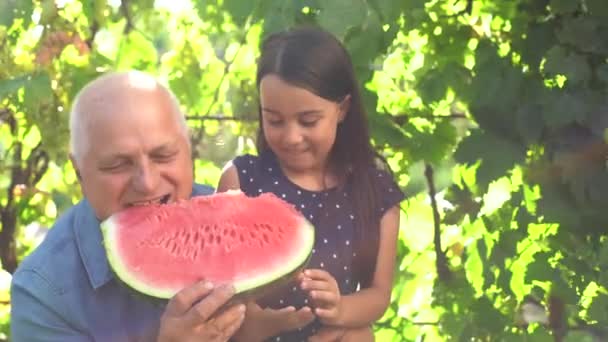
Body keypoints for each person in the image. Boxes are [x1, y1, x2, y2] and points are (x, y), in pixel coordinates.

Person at [10, 71, 246, 341]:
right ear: (79, 172)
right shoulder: (44, 292)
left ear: (188, 151)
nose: (147, 183)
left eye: (163, 156)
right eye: (118, 165)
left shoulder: (233, 215)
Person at [217, 26, 405, 341]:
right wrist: (260, 324)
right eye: (274, 120)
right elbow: (220, 292)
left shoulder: (377, 194)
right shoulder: (240, 181)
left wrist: (341, 310)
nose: (291, 137)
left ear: (342, 110)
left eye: (308, 121)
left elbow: (378, 295)